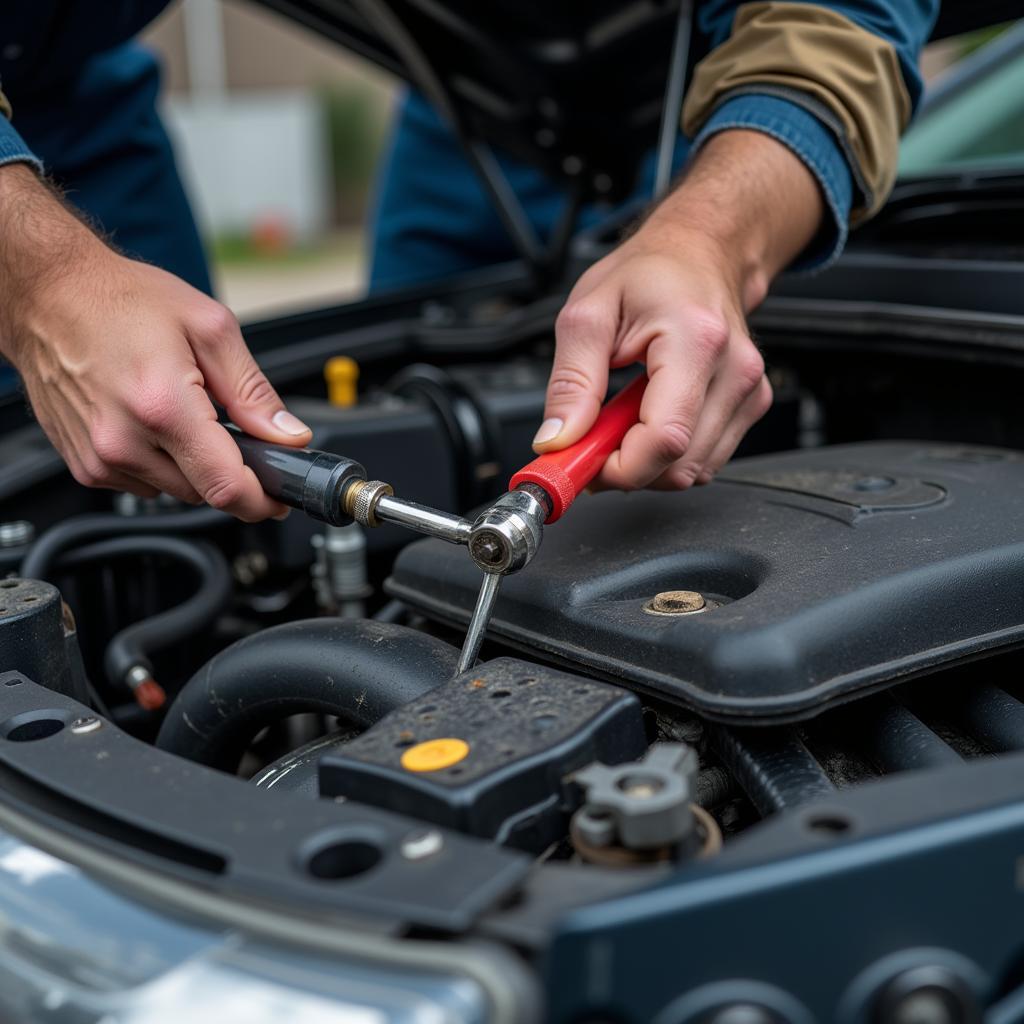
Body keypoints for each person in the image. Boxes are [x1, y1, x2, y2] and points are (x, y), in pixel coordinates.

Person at [0, 1, 937, 518]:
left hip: (565, 106)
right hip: (46, 92)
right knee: (109, 448)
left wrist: (712, 241)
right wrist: (43, 283)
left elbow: (837, 22)